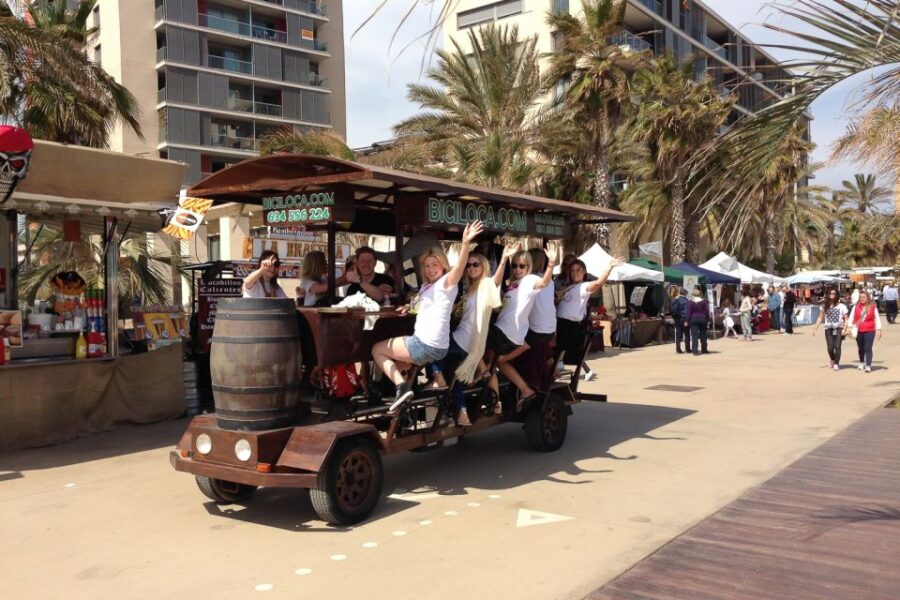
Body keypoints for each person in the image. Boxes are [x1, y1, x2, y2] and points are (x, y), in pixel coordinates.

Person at [373, 221, 483, 413]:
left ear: (443, 266)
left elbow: (458, 269)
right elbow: (420, 304)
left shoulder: (446, 283)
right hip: (437, 348)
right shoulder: (426, 286)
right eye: (427, 265)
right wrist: (408, 307)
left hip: (424, 345)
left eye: (435, 265)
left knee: (377, 350)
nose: (431, 269)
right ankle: (404, 405)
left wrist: (465, 244)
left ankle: (402, 388)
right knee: (398, 364)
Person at [487, 242, 557, 412]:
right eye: (515, 265)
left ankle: (505, 396)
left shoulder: (530, 280)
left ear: (529, 266)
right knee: (492, 360)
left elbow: (543, 283)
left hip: (510, 332)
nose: (518, 269)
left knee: (492, 359)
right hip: (504, 328)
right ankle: (498, 393)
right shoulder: (513, 283)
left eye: (522, 266)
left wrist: (551, 264)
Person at [440, 252, 501, 426]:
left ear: (483, 266)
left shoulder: (485, 285)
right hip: (465, 339)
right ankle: (463, 411)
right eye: (468, 265)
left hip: (464, 340)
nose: (471, 268)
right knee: (452, 372)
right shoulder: (470, 289)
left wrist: (504, 259)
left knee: (433, 356)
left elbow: (496, 280)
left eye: (475, 264)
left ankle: (452, 403)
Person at [555, 257, 621, 375]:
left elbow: (599, 283)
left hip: (568, 324)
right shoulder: (569, 287)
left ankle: (560, 366)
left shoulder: (584, 286)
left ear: (584, 271)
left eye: (578, 270)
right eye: (572, 270)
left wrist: (610, 267)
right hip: (559, 323)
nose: (575, 273)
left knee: (561, 351)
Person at [844, 289, 883, 373]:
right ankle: (861, 362)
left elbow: (877, 318)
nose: (862, 299)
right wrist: (849, 327)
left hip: (870, 330)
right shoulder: (855, 306)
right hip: (859, 329)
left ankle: (868, 365)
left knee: (868, 347)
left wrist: (879, 330)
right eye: (861, 297)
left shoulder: (873, 307)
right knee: (861, 348)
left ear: (868, 298)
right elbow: (851, 317)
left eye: (864, 297)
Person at [813, 289, 848, 371]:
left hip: (839, 328)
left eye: (834, 293)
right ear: (827, 294)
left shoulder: (842, 306)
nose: (832, 294)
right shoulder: (824, 305)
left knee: (837, 346)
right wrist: (816, 327)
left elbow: (846, 318)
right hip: (828, 328)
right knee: (830, 347)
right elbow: (820, 317)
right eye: (830, 293)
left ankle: (836, 364)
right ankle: (832, 359)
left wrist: (845, 328)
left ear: (837, 295)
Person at [685, 288, 710, 355]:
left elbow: (688, 312)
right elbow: (707, 311)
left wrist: (687, 321)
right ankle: (704, 349)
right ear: (699, 294)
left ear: (693, 295)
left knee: (694, 336)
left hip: (693, 319)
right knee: (703, 335)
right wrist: (708, 319)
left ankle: (695, 351)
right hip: (702, 319)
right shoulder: (704, 301)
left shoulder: (690, 302)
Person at [670, 288, 691, 354]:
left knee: (678, 334)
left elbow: (673, 310)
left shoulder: (676, 300)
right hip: (684, 319)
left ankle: (678, 349)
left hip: (677, 319)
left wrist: (675, 318)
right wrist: (687, 320)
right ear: (685, 293)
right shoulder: (687, 301)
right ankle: (687, 349)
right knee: (687, 334)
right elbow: (687, 312)